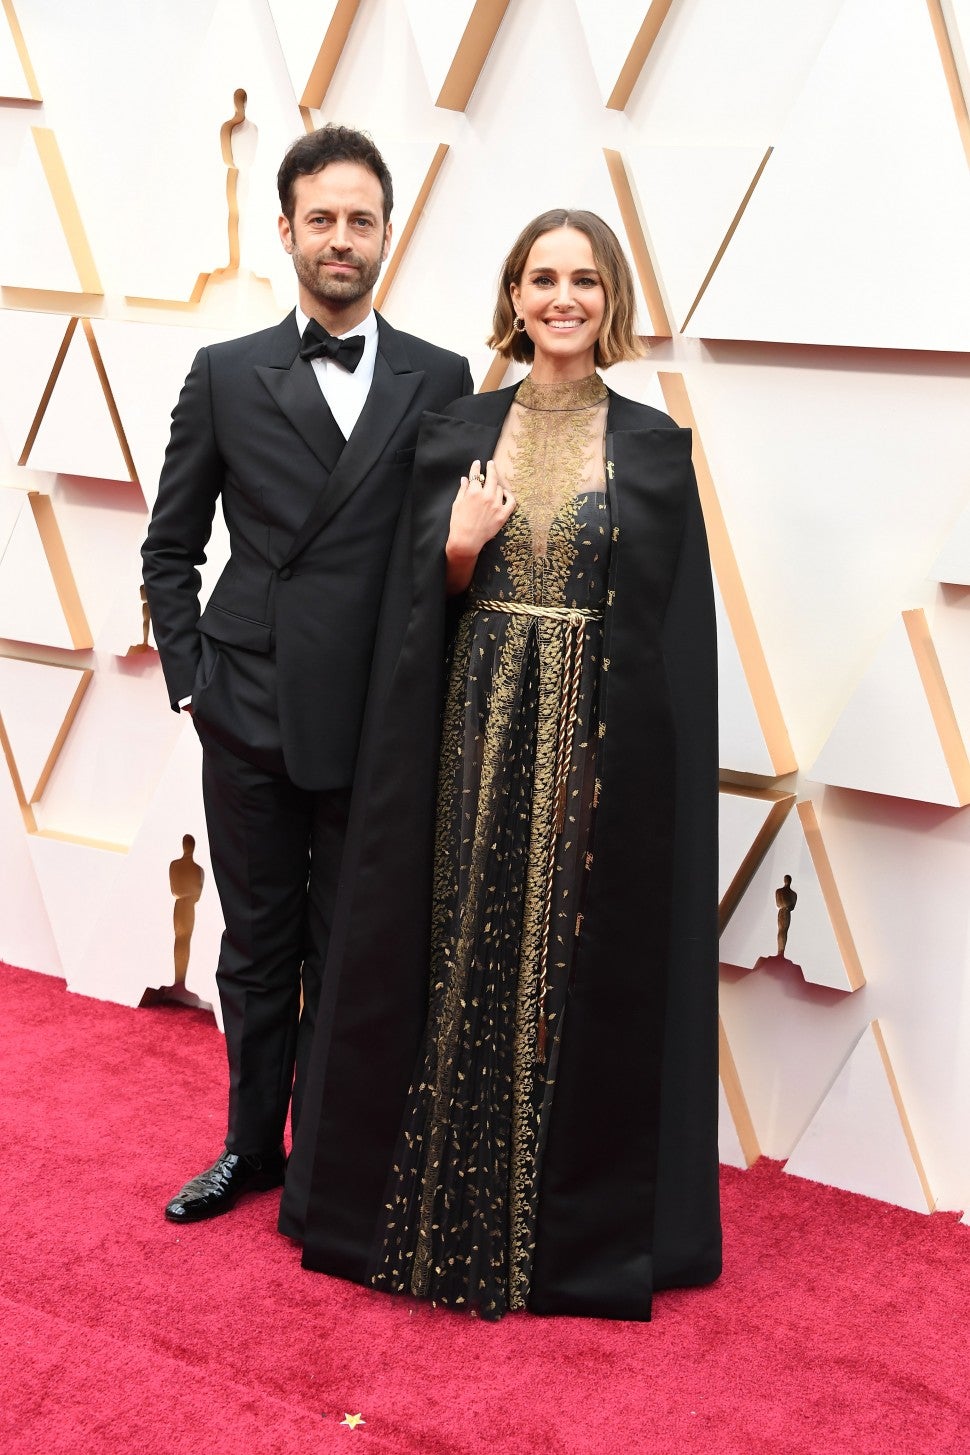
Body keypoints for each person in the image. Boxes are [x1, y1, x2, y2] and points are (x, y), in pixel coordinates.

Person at [280, 209, 721, 1321]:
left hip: (591, 741)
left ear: (609, 297)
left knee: (563, 956)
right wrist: (461, 544)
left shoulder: (655, 447)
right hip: (467, 730)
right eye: (540, 279)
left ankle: (553, 1222)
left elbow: (669, 641)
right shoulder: (456, 429)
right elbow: (407, 609)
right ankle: (432, 1204)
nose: (560, 298)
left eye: (581, 279)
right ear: (513, 297)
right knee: (455, 937)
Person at [141, 125, 472, 1224]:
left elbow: (447, 553)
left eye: (360, 219)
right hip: (249, 705)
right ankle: (249, 1149)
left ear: (387, 235)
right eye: (320, 218)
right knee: (257, 943)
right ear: (284, 230)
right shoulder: (226, 373)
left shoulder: (443, 376)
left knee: (354, 951)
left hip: (377, 715)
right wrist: (192, 680)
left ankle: (332, 1159)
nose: (341, 238)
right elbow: (170, 546)